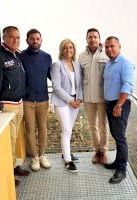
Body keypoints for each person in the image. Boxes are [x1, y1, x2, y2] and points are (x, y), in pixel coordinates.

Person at [0, 26, 30, 186]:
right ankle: (8, 174)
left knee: (14, 137)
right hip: (7, 106)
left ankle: (13, 166)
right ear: (4, 38)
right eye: (12, 37)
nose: (15, 40)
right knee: (9, 141)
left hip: (19, 103)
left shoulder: (16, 56)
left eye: (18, 37)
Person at [103, 36, 135, 184]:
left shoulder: (125, 63)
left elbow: (127, 85)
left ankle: (121, 170)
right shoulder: (109, 64)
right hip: (109, 104)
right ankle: (117, 162)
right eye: (107, 47)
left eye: (112, 46)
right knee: (116, 135)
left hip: (119, 105)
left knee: (120, 138)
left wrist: (119, 105)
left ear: (119, 46)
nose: (109, 49)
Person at [19, 29, 52, 171]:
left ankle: (43, 155)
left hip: (43, 100)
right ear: (27, 40)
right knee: (30, 129)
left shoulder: (47, 57)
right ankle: (34, 157)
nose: (35, 41)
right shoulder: (21, 56)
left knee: (43, 128)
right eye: (32, 39)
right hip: (27, 101)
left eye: (37, 39)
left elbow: (53, 77)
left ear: (41, 40)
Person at [50, 39, 83, 173]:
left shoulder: (77, 64)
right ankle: (68, 161)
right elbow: (56, 87)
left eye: (70, 47)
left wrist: (79, 99)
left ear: (74, 49)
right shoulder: (57, 65)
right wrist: (70, 101)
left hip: (75, 102)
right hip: (62, 102)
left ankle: (66, 152)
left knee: (69, 129)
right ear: (61, 50)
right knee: (67, 129)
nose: (68, 50)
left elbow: (80, 84)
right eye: (65, 48)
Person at [78, 28, 109, 164]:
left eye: (95, 37)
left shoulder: (105, 54)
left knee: (103, 125)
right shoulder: (81, 56)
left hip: (102, 97)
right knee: (92, 126)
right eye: (90, 37)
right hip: (88, 98)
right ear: (86, 39)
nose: (93, 39)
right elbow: (78, 78)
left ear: (99, 39)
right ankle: (96, 151)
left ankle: (104, 151)